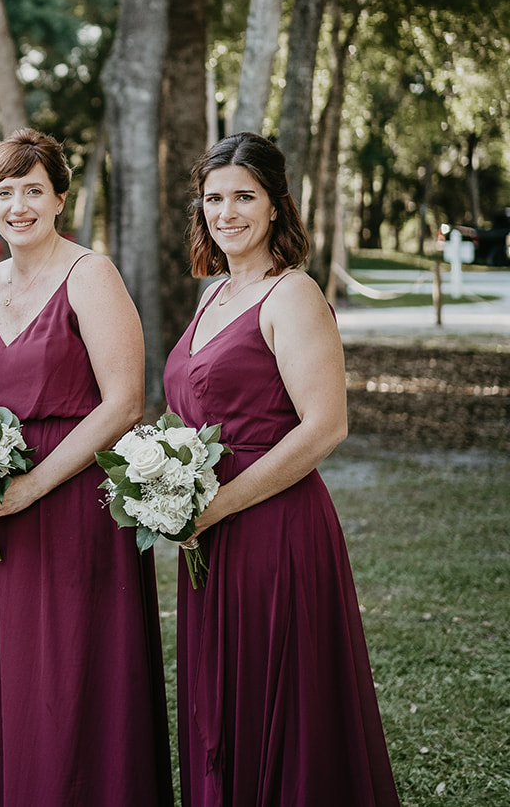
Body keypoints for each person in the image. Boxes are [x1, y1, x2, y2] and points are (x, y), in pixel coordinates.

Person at [165, 132, 399, 807]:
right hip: (210, 527)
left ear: (275, 206)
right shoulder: (212, 296)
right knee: (222, 696)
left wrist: (215, 504)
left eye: (244, 196)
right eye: (214, 197)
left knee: (284, 703)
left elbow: (325, 425)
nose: (226, 211)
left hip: (275, 529)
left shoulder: (292, 294)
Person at [0, 129, 171, 806]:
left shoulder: (92, 274)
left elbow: (124, 402)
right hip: (5, 516)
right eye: (4, 191)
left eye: (32, 190)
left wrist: (33, 485)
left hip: (79, 503)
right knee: (21, 684)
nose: (17, 204)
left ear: (59, 197)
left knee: (82, 679)